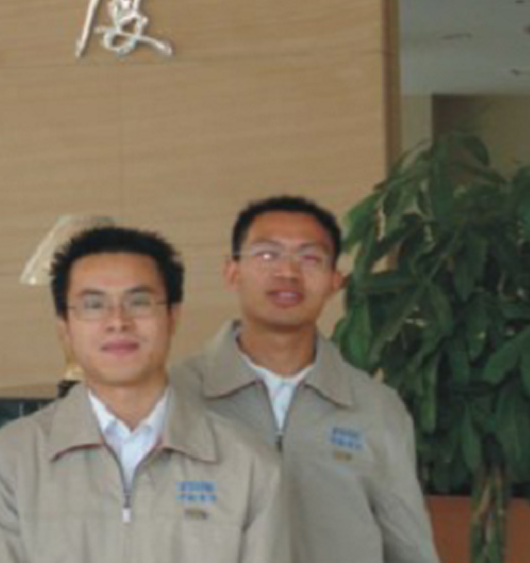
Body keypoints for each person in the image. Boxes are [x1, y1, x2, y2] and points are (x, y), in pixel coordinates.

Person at [0, 226, 288, 563]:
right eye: (93, 305)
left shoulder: (249, 465)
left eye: (138, 302)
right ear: (64, 326)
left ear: (172, 316)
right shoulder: (12, 459)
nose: (118, 321)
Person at [173, 195, 438, 563]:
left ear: (334, 281)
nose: (288, 272)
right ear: (232, 271)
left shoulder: (374, 405)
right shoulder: (176, 396)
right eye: (267, 254)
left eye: (310, 258)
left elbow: (409, 547)